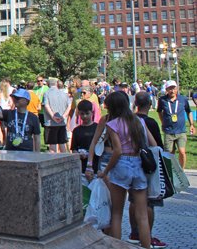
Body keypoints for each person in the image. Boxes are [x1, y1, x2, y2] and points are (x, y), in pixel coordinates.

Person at [97, 91, 157, 249]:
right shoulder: (139, 122)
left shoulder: (113, 124)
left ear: (113, 108)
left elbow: (117, 151)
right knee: (142, 215)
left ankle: (117, 246)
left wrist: (105, 171)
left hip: (121, 165)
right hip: (139, 164)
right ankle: (146, 246)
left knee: (116, 213)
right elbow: (153, 144)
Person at [127, 91, 166, 249]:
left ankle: (134, 231)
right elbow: (157, 146)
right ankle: (146, 234)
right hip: (149, 165)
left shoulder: (130, 121)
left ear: (135, 103)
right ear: (150, 104)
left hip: (132, 163)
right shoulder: (150, 122)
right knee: (150, 201)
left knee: (133, 199)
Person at [157, 80, 195, 169]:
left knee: (182, 151)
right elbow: (159, 111)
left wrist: (192, 124)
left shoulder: (183, 99)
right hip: (168, 131)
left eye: (174, 88)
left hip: (181, 130)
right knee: (169, 153)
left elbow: (189, 111)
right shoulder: (162, 100)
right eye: (170, 89)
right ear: (166, 89)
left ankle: (182, 170)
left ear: (177, 89)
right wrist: (163, 122)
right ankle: (170, 171)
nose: (172, 91)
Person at [71, 100, 99, 186]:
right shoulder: (77, 130)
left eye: (87, 114)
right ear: (78, 113)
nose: (85, 116)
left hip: (96, 165)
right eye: (82, 114)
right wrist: (78, 154)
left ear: (92, 113)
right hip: (82, 167)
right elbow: (74, 148)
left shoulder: (97, 128)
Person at [42, 78, 71, 153]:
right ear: (57, 84)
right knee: (62, 143)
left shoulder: (46, 93)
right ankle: (64, 158)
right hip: (62, 122)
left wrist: (53, 117)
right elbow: (69, 106)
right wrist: (64, 116)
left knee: (52, 143)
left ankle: (53, 159)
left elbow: (46, 106)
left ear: (48, 84)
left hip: (50, 122)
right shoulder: (64, 94)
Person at [0, 81, 13, 147]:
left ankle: (0, 143)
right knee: (6, 127)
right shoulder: (9, 95)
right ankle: (6, 142)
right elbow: (11, 104)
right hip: (8, 111)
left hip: (1, 111)